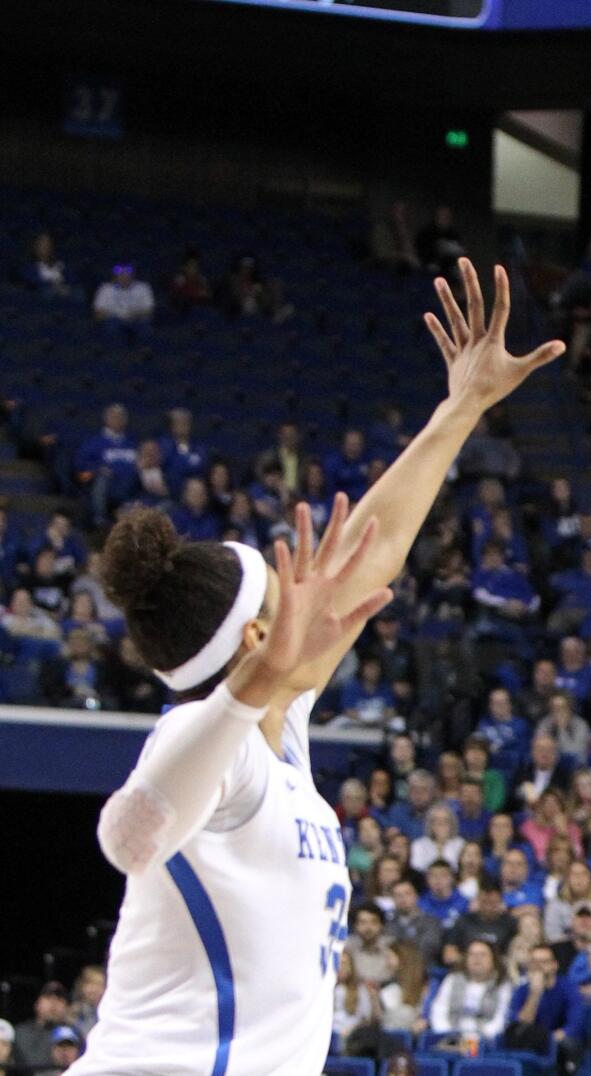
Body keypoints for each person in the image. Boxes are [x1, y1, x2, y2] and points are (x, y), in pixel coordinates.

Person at [64, 258, 563, 1076]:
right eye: (287, 592)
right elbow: (128, 838)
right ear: (260, 638)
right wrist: (251, 689)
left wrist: (461, 408)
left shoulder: (278, 731)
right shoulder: (201, 737)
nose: (315, 596)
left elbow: (374, 551)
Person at [506, 944, 588, 1073]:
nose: (538, 967)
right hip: (530, 1043)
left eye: (544, 962)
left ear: (554, 965)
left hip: (559, 1042)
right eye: (534, 962)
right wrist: (535, 994)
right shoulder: (522, 990)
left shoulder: (568, 988)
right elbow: (519, 1026)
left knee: (566, 1046)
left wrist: (549, 1039)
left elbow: (574, 1024)